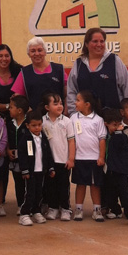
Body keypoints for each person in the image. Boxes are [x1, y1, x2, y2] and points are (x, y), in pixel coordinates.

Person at [67, 28, 128, 115]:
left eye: (102, 41)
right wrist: (73, 114)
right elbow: (71, 91)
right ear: (86, 44)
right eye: (95, 41)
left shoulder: (114, 61)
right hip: (86, 120)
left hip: (113, 121)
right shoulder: (78, 64)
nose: (99, 44)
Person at [70, 90, 106, 222]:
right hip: (79, 158)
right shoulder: (73, 118)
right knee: (80, 184)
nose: (75, 102)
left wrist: (101, 157)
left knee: (95, 185)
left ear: (87, 104)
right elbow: (71, 139)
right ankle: (78, 209)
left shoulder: (98, 120)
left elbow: (102, 139)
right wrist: (71, 157)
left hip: (94, 158)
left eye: (78, 100)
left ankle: (97, 209)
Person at [17, 109, 55, 226]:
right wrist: (25, 170)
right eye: (34, 125)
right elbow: (22, 155)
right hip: (30, 171)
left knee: (39, 192)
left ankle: (36, 211)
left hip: (41, 171)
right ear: (28, 126)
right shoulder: (25, 139)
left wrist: (50, 168)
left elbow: (48, 154)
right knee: (30, 193)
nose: (37, 128)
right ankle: (24, 213)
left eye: (39, 125)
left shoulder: (43, 138)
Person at [41, 92, 75, 221]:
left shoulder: (67, 121)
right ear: (47, 107)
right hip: (49, 162)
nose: (59, 106)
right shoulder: (43, 121)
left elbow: (71, 141)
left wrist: (71, 158)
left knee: (63, 186)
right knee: (50, 187)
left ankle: (65, 208)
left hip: (63, 160)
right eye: (55, 104)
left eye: (61, 103)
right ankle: (53, 207)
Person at [103, 108, 128, 227]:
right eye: (114, 125)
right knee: (111, 191)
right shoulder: (105, 135)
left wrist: (118, 132)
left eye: (119, 124)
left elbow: (124, 144)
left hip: (122, 169)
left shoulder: (123, 133)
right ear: (106, 124)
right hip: (110, 169)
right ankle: (115, 210)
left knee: (124, 192)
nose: (117, 127)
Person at [11, 36, 66, 109]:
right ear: (28, 54)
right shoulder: (24, 73)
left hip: (58, 117)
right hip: (35, 118)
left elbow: (68, 94)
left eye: (40, 50)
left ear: (45, 52)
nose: (37, 54)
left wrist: (66, 110)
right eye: (33, 51)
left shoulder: (59, 69)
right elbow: (18, 99)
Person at [6, 94, 29, 212]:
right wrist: (8, 150)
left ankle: (29, 205)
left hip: (27, 160)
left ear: (19, 110)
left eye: (11, 107)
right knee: (18, 183)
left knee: (28, 184)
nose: (8, 109)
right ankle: (20, 205)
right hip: (14, 161)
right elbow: (7, 139)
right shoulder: (9, 124)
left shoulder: (29, 124)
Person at [0, 43, 21, 114]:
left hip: (18, 115)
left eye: (7, 56)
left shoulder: (19, 71)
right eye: (0, 56)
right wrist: (8, 106)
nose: (4, 59)